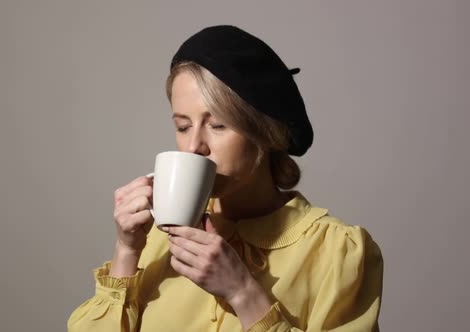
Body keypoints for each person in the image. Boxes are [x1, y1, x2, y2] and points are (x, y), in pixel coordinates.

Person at [67, 25, 383, 332]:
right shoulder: (158, 238)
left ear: (266, 133)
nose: (193, 147)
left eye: (217, 125)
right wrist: (126, 251)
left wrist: (243, 293)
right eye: (182, 126)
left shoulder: (335, 252)